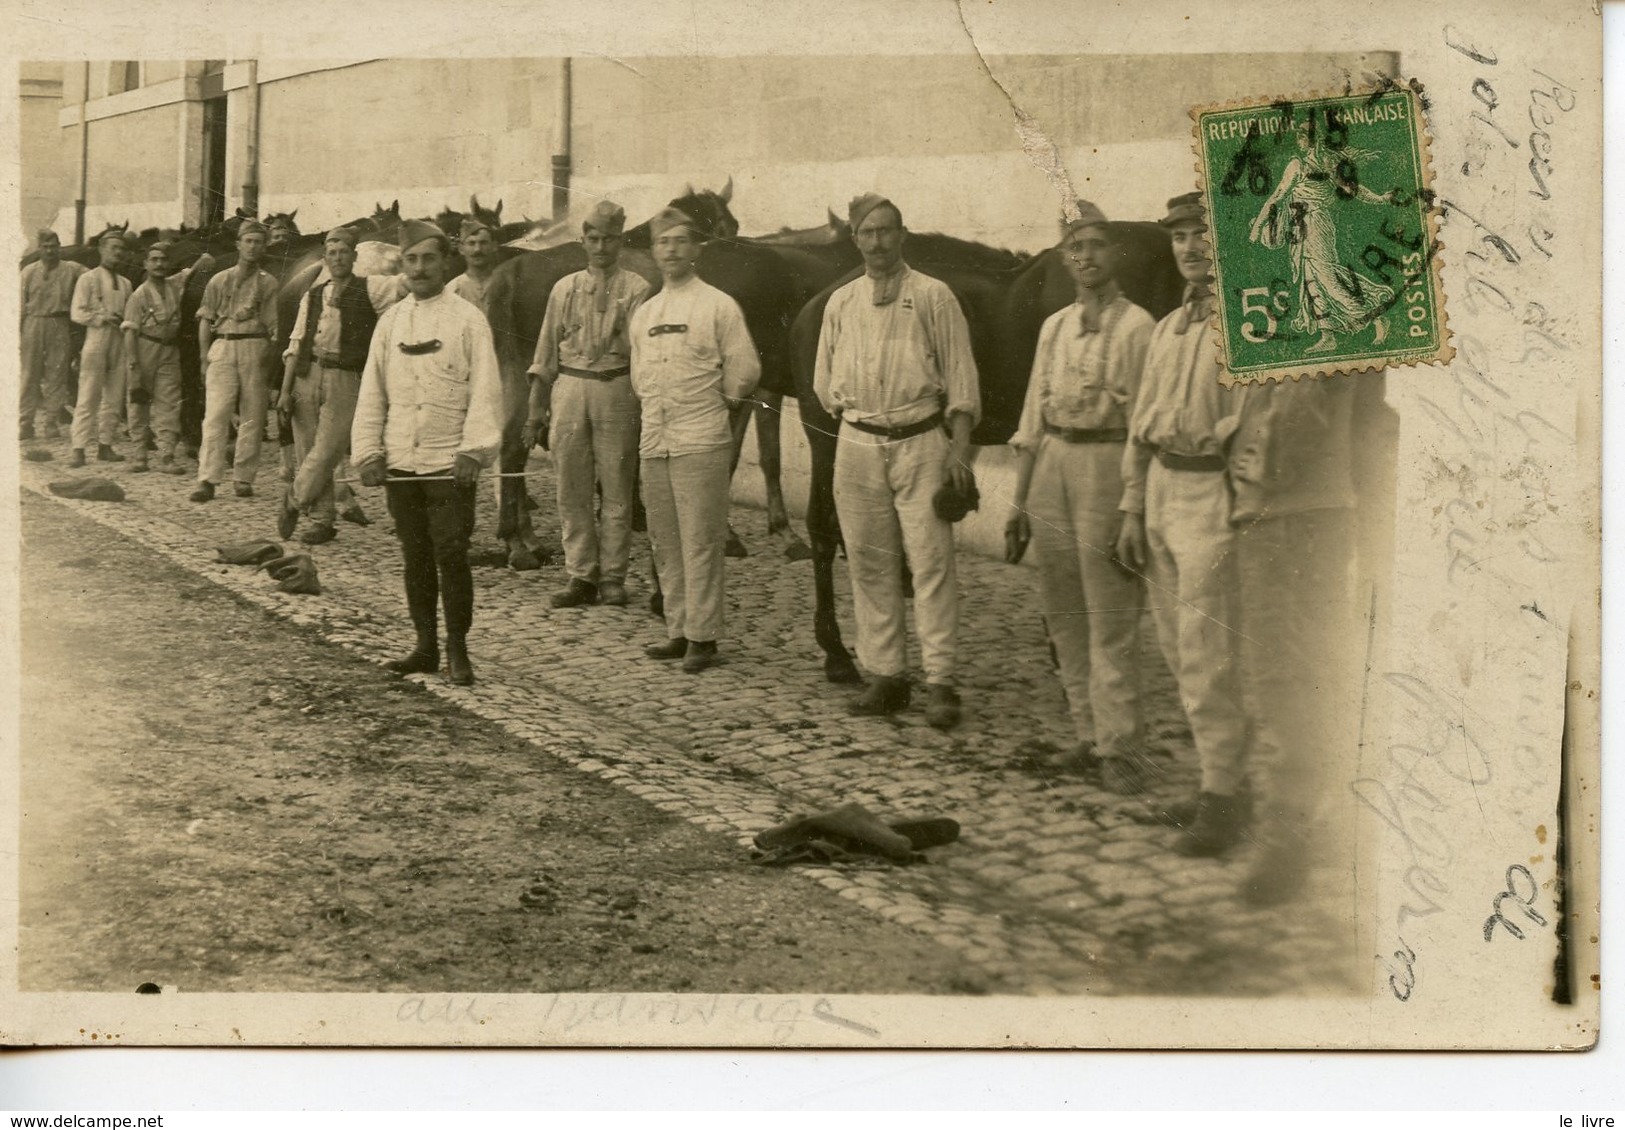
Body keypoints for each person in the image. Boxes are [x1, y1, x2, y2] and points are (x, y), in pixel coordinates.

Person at [1114, 192, 1252, 843]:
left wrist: (1239, 512)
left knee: (1207, 653)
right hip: (1163, 490)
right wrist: (1132, 508)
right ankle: (1221, 779)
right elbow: (1139, 429)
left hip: (1211, 499)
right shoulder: (1168, 328)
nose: (1190, 248)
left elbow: (1252, 435)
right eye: (1178, 238)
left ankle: (1223, 797)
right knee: (1174, 648)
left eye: (1201, 235)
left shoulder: (1248, 325)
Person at [813, 193, 980, 729]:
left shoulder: (934, 296)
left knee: (931, 563)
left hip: (921, 441)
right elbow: (823, 385)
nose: (879, 242)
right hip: (858, 441)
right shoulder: (840, 303)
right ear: (855, 239)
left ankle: (941, 681)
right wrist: (856, 416)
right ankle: (886, 675)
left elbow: (961, 378)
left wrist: (957, 450)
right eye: (869, 233)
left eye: (888, 231)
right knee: (867, 560)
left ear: (902, 236)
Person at [1006, 202, 1154, 792]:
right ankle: (1088, 738)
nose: (1085, 257)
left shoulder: (1139, 326)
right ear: (1064, 258)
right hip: (1053, 465)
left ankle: (1124, 748)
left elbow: (1145, 424)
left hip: (1107, 465)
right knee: (1063, 610)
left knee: (1111, 613)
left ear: (1113, 253)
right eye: (1074, 247)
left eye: (1094, 245)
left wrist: (1133, 505)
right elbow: (1031, 417)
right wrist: (1019, 504)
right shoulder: (1055, 327)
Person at [1225, 365, 1362, 906]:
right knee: (1310, 669)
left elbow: (1291, 424)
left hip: (1289, 511)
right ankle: (1324, 820)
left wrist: (1246, 464)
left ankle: (1291, 837)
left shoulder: (1304, 301)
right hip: (1300, 509)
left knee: (1285, 674)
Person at [351, 219, 504, 687]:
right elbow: (372, 392)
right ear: (404, 265)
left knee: (452, 554)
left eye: (429, 259)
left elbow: (486, 391)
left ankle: (458, 649)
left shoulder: (468, 320)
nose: (420, 269)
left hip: (449, 465)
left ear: (445, 261)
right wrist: (369, 453)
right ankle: (425, 646)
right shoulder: (391, 322)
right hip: (402, 461)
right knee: (414, 556)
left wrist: (474, 451)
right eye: (411, 260)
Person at [629, 206, 760, 673]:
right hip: (656, 438)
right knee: (665, 540)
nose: (672, 250)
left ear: (696, 249)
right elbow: (638, 377)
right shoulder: (645, 313)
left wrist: (716, 406)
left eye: (681, 241)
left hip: (701, 437)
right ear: (653, 251)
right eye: (664, 242)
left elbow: (744, 370)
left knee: (701, 539)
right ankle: (678, 629)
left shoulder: (718, 306)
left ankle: (703, 638)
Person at [525, 200, 650, 608]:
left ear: (620, 240)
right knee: (571, 488)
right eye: (593, 239)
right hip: (571, 389)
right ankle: (580, 574)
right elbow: (544, 356)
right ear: (583, 240)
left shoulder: (637, 289)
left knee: (616, 488)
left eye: (609, 239)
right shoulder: (564, 288)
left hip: (616, 389)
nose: (601, 247)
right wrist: (535, 411)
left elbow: (643, 355)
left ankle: (613, 576)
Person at [276, 226, 403, 544]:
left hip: (346, 378)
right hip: (307, 373)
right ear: (325, 258)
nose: (337, 258)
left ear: (354, 256)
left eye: (343, 252)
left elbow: (405, 287)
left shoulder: (372, 288)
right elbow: (295, 341)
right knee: (307, 449)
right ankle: (322, 520)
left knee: (328, 449)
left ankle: (294, 498)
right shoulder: (313, 294)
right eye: (331, 253)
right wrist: (284, 390)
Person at [1250, 117, 1395, 354]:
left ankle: (1376, 316)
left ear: (1311, 139)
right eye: (1299, 134)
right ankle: (1328, 335)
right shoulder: (1318, 162)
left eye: (1302, 135)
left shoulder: (1312, 164)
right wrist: (1379, 198)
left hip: (1315, 224)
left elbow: (1278, 196)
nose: (1299, 139)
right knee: (1311, 280)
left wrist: (1257, 228)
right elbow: (1280, 197)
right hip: (1301, 226)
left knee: (1327, 278)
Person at [192, 220, 279, 501]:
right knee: (216, 415)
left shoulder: (269, 283)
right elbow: (205, 320)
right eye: (248, 241)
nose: (253, 247)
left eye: (258, 242)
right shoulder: (219, 280)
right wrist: (205, 358)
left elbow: (273, 324)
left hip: (255, 345)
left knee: (252, 417)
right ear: (238, 244)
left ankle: (243, 477)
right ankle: (207, 478)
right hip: (224, 345)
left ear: (265, 247)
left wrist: (270, 356)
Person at [121, 241, 207, 474]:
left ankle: (167, 455)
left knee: (169, 401)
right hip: (144, 347)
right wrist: (133, 364)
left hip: (170, 350)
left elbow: (194, 269)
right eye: (154, 260)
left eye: (163, 260)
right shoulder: (138, 296)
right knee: (139, 400)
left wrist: (204, 258)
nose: (159, 264)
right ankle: (140, 454)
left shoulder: (173, 285)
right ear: (146, 264)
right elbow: (130, 332)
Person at [67, 230, 134, 468]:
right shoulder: (88, 278)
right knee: (88, 394)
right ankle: (79, 448)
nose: (117, 252)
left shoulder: (126, 283)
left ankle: (105, 445)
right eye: (112, 247)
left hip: (119, 341)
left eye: (121, 249)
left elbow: (130, 313)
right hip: (96, 339)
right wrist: (102, 317)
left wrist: (124, 319)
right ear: (102, 249)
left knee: (115, 396)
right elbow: (77, 312)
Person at [19, 230, 87, 442]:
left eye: (54, 247)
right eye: (46, 247)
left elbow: (93, 276)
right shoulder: (28, 272)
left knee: (56, 373)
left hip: (59, 322)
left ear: (60, 247)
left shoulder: (71, 269)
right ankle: (25, 422)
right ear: (40, 248)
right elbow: (19, 303)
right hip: (33, 321)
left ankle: (51, 421)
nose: (50, 251)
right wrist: (18, 331)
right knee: (30, 373)